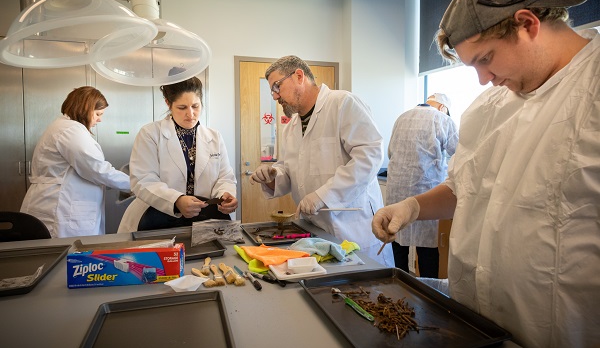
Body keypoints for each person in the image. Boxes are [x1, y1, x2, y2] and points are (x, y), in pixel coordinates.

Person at [372, 0, 600, 348]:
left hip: (562, 345)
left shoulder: (592, 90)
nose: (483, 80)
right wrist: (412, 206)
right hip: (475, 331)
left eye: (486, 59)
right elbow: (465, 188)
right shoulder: (490, 107)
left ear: (527, 24)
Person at [250, 55, 393, 266]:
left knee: (366, 294)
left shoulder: (343, 103)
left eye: (277, 87)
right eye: (272, 90)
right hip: (314, 231)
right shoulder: (291, 126)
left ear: (299, 76)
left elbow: (369, 156)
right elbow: (289, 172)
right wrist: (272, 177)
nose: (275, 96)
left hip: (352, 229)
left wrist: (322, 196)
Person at [118, 76, 237, 233]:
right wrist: (176, 200)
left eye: (196, 106)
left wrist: (225, 194)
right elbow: (143, 180)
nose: (191, 114)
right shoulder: (150, 134)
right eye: (182, 108)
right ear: (168, 103)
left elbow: (224, 177)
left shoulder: (214, 137)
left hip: (206, 218)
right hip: (157, 218)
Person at [20, 86, 130, 238]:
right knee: (66, 258)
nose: (100, 119)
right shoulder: (70, 130)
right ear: (85, 108)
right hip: (60, 208)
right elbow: (97, 170)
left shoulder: (64, 127)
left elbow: (93, 171)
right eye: (98, 114)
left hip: (59, 204)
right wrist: (136, 184)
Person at [386, 93, 458, 277]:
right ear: (443, 108)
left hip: (397, 191)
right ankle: (427, 295)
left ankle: (398, 290)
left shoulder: (402, 117)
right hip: (426, 191)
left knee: (398, 243)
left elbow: (390, 152)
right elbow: (459, 153)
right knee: (427, 250)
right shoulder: (441, 119)